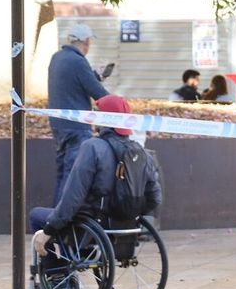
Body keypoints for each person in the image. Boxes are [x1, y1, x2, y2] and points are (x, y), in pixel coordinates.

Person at [29, 93, 162, 248]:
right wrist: (130, 214)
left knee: (36, 215)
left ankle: (58, 269)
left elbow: (73, 195)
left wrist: (50, 228)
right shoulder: (142, 154)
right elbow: (155, 198)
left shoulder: (92, 147)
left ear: (103, 119)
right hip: (125, 226)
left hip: (91, 224)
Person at [47, 23, 110, 203]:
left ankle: (53, 217)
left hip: (58, 124)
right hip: (77, 126)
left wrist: (94, 76)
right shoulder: (78, 61)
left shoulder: (57, 58)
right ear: (86, 41)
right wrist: (117, 107)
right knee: (72, 174)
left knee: (62, 172)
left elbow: (71, 83)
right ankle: (64, 221)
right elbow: (97, 92)